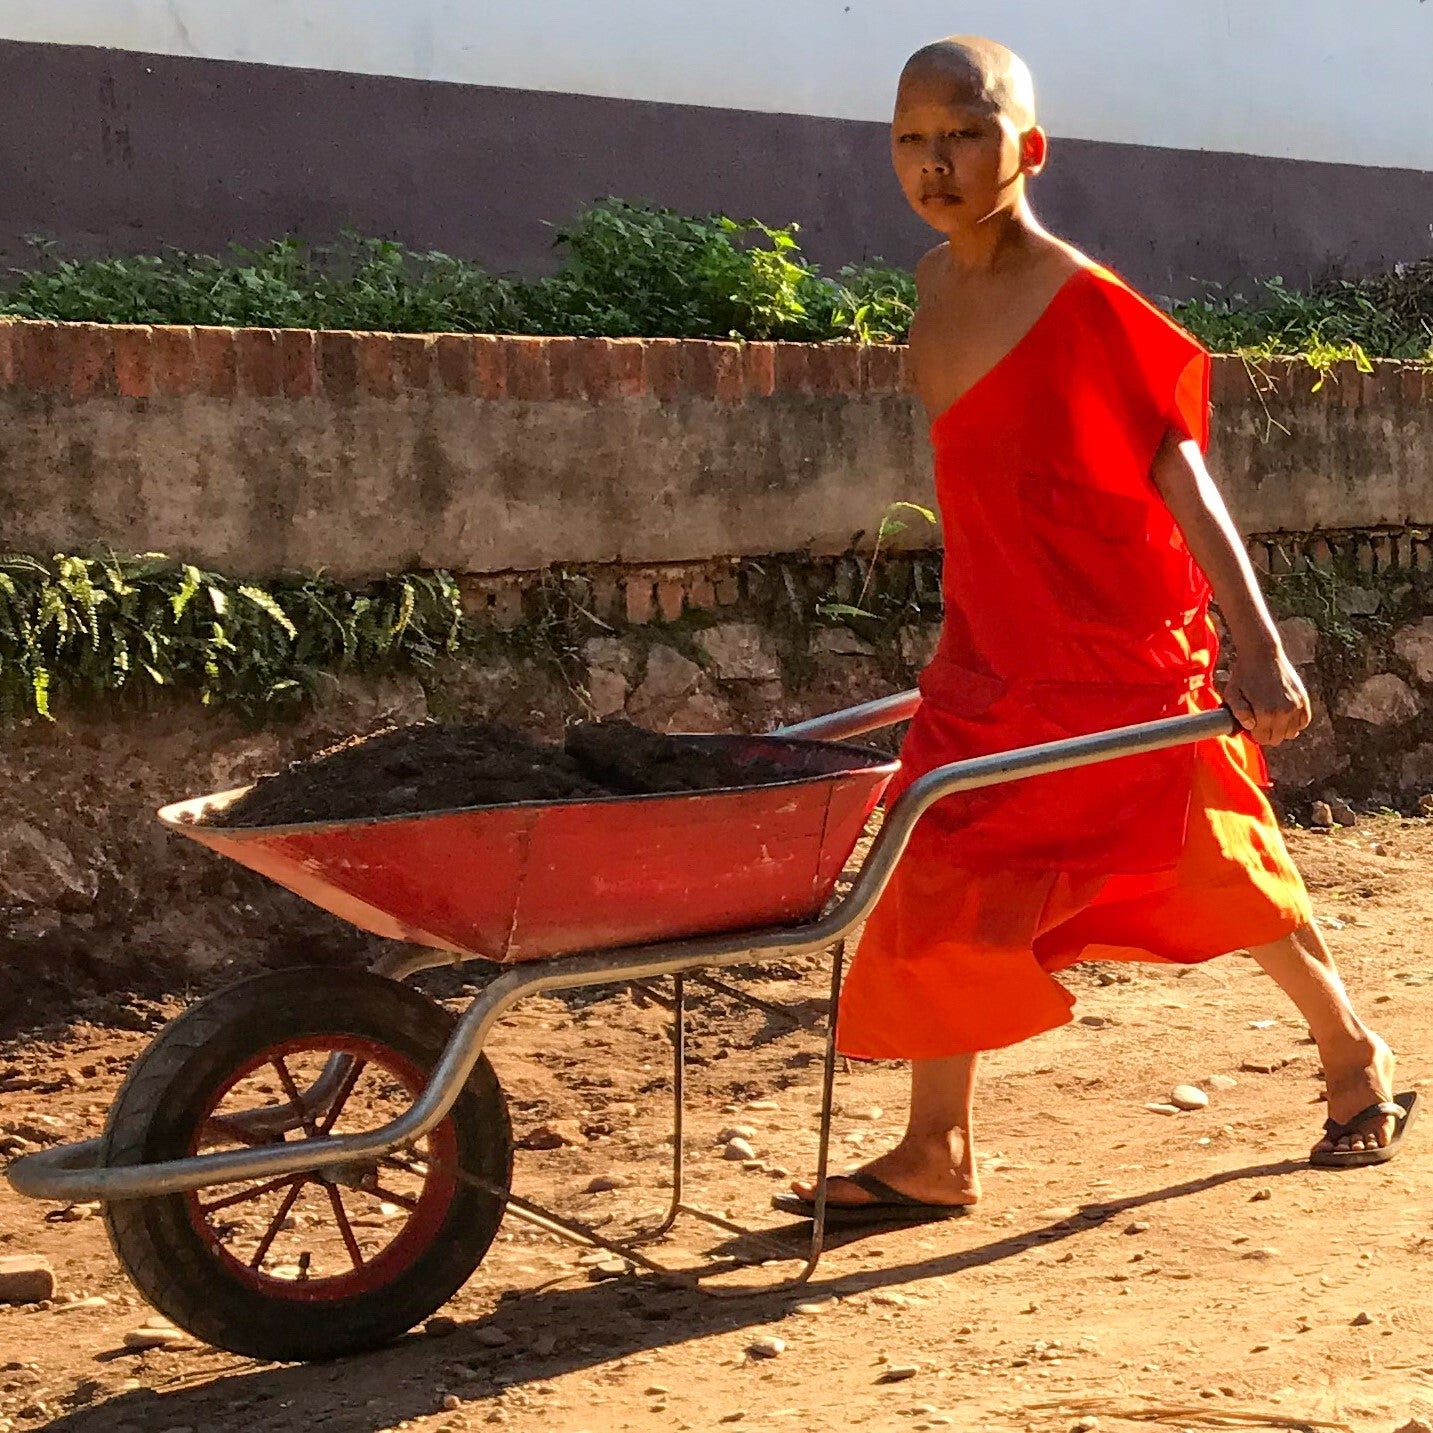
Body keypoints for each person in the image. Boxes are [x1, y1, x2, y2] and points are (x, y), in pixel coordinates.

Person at [778, 35, 1415, 1228]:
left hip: (1113, 646)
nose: (937, 161)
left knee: (1213, 860)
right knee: (941, 866)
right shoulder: (929, 285)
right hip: (992, 647)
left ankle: (1350, 1051)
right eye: (912, 139)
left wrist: (1258, 643)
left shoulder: (1083, 301)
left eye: (964, 132)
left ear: (1027, 144)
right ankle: (935, 1148)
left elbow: (1186, 478)